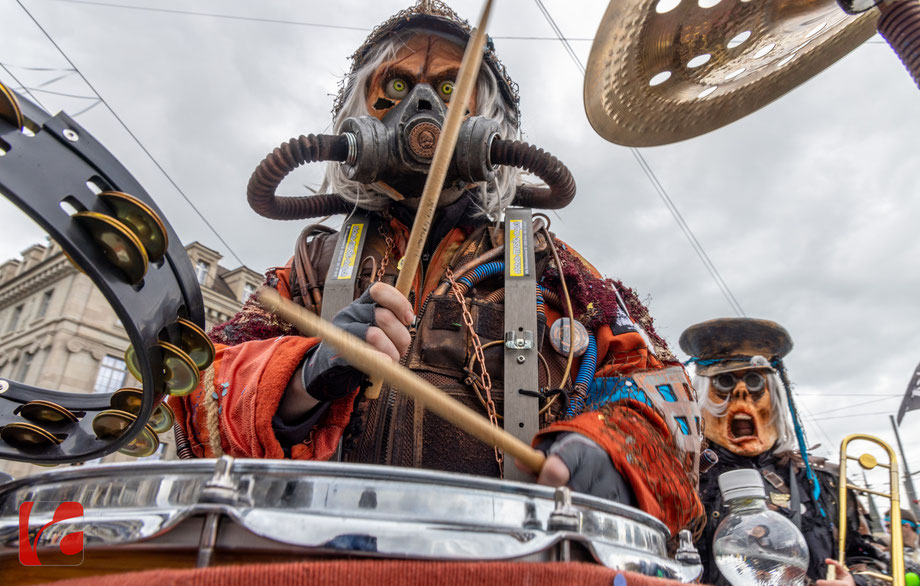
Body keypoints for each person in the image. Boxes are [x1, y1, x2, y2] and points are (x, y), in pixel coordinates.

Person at [169, 0, 705, 540]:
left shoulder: (555, 270)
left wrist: (608, 453)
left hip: (507, 565)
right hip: (324, 558)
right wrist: (303, 374)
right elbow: (195, 390)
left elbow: (666, 395)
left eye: (451, 90)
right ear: (361, 117)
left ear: (490, 127)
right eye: (397, 87)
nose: (423, 107)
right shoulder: (313, 265)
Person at [680, 317, 883, 585]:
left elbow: (873, 560)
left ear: (774, 399)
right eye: (724, 383)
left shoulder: (823, 483)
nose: (740, 395)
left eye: (754, 384)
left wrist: (856, 582)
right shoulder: (681, 482)